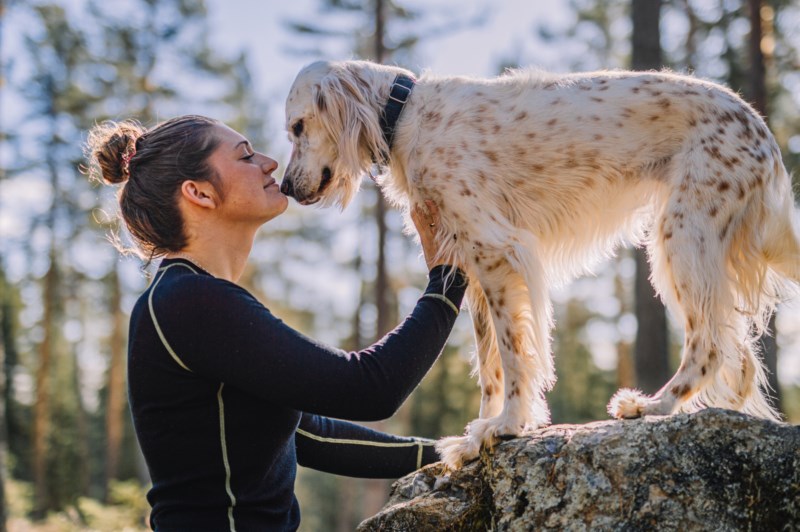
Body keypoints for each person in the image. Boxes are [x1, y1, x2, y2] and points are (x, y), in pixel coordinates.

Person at [85, 115, 466, 532]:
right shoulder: (190, 302)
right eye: (246, 156)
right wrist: (448, 277)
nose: (269, 163)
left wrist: (455, 454)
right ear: (199, 193)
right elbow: (369, 388)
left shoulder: (190, 299)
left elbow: (310, 436)